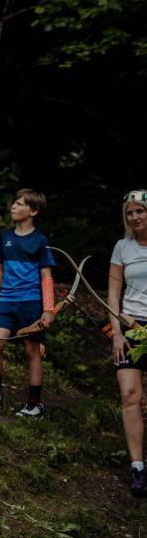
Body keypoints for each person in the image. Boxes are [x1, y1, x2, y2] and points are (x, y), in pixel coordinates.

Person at [0, 188, 55, 418]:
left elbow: (46, 276)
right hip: (7, 301)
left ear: (32, 210)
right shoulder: (5, 237)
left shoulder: (40, 241)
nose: (13, 206)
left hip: (31, 303)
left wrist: (48, 309)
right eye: (14, 202)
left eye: (19, 203)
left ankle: (34, 404)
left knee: (32, 350)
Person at [108, 190, 147, 497]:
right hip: (131, 326)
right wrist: (117, 332)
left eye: (140, 211)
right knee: (129, 395)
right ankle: (137, 466)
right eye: (130, 212)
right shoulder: (123, 247)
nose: (135, 217)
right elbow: (112, 294)